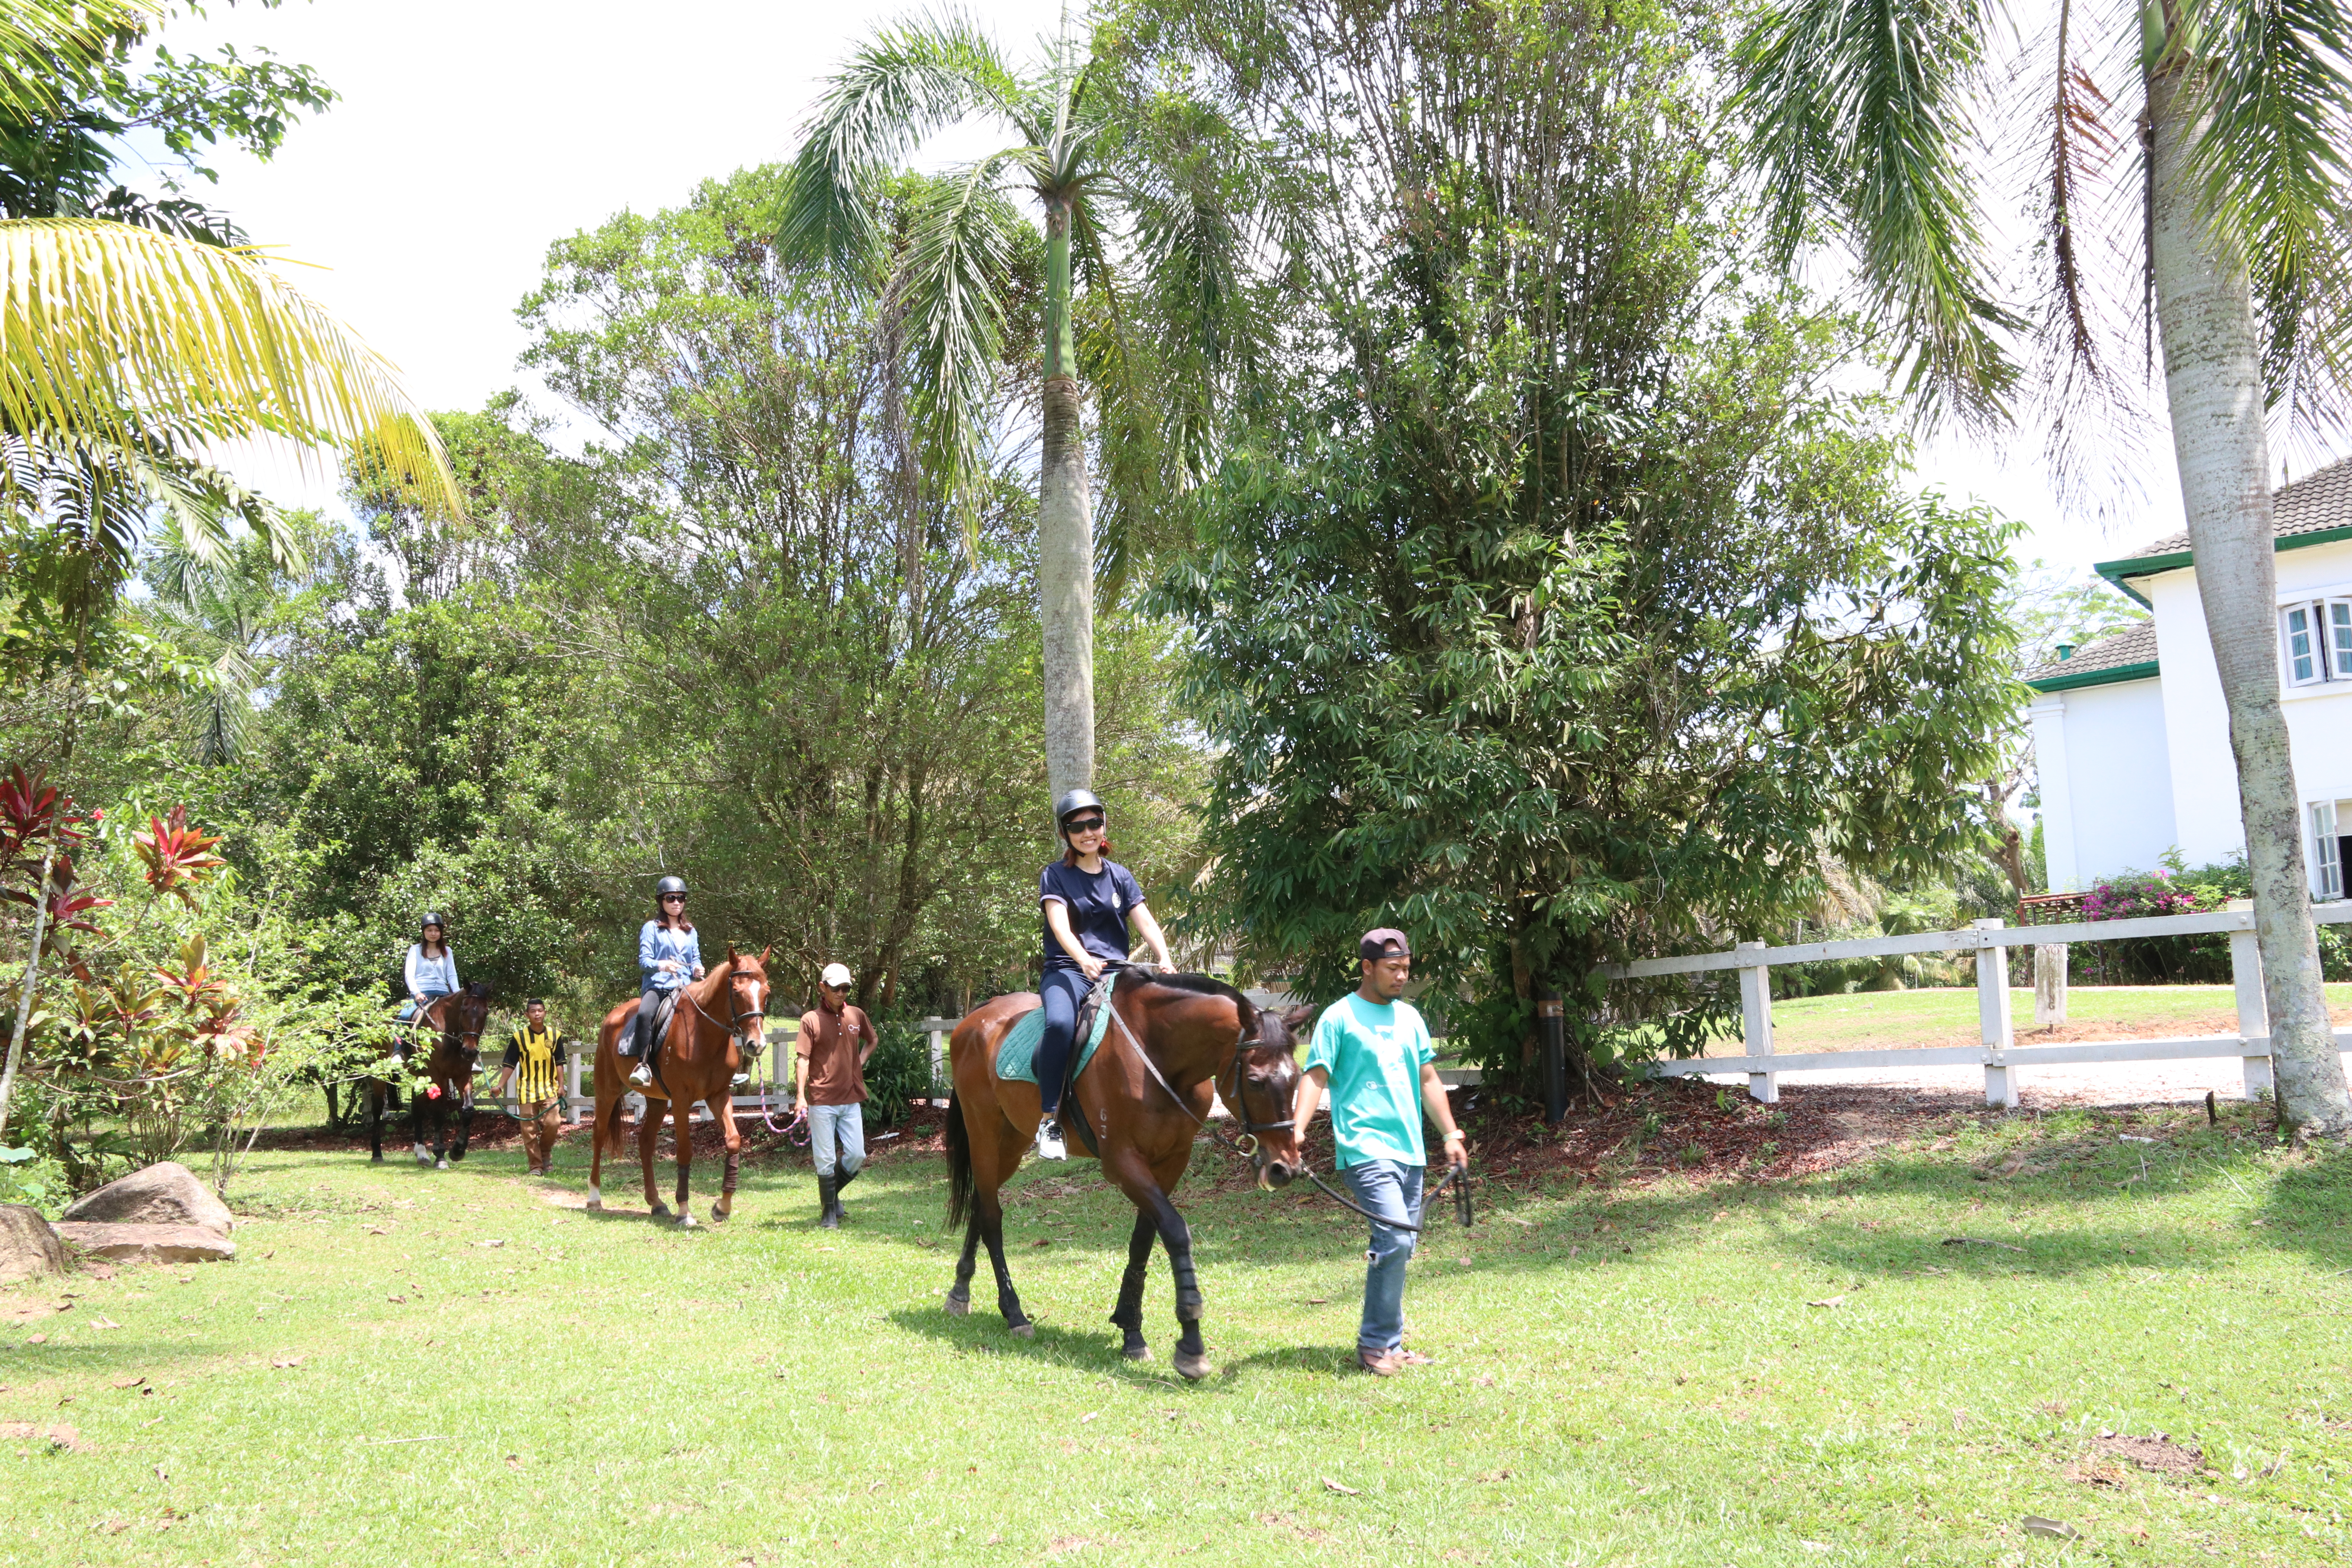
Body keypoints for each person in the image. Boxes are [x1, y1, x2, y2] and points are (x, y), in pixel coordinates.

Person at [1291, 927, 1470, 1377]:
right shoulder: (1338, 1018)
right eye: (1393, 968)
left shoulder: (1410, 1018)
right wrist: (1297, 1130)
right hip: (1364, 1147)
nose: (1402, 976)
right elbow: (1315, 1076)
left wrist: (1451, 1134)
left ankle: (1391, 1343)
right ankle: (1374, 1346)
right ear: (1367, 967)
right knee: (1394, 1239)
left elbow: (1428, 1079)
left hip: (1410, 1149)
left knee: (1401, 1246)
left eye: (1406, 968)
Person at [1034, 789, 1172, 1160]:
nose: (1088, 833)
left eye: (1094, 823)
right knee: (1061, 1025)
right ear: (1065, 834)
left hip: (1117, 973)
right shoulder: (1055, 875)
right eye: (1077, 827)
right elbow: (1060, 925)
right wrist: (1082, 958)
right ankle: (1049, 1121)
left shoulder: (1120, 876)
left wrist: (1165, 957)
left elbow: (1145, 921)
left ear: (1104, 826)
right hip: (1069, 971)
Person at [795, 962, 875, 1228]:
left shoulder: (856, 1015)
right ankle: (829, 1214)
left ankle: (830, 1197)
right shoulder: (810, 1020)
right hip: (822, 1100)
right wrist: (801, 1097)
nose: (841, 993)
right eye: (836, 988)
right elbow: (803, 1060)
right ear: (823, 987)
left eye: (846, 988)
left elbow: (872, 1040)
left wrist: (859, 1062)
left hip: (851, 1097)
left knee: (857, 1154)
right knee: (825, 1159)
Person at [626, 875, 702, 1087]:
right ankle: (643, 1065)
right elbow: (644, 961)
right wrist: (663, 965)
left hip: (686, 988)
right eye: (671, 898)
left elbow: (695, 958)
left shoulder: (691, 931)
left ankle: (722, 1067)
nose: (677, 903)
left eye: (681, 898)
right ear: (661, 901)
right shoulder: (651, 928)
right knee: (644, 1014)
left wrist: (697, 968)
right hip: (658, 987)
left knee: (714, 1011)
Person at [498, 999, 570, 1175]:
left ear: (545, 1013)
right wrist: (500, 1086)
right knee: (529, 1130)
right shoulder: (519, 1037)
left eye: (540, 1010)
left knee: (554, 1122)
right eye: (533, 1011)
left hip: (549, 1088)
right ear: (527, 1015)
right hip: (526, 1089)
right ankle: (536, 1166)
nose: (537, 1014)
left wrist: (561, 1086)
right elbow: (509, 1064)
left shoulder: (555, 1035)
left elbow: (560, 1062)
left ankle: (545, 1154)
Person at [401, 913, 459, 1021]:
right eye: (429, 930)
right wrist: (417, 993)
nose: (433, 934)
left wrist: (457, 993)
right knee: (404, 1016)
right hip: (422, 994)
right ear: (424, 932)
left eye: (437, 931)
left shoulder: (448, 951)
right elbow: (409, 975)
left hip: (444, 994)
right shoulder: (415, 950)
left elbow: (452, 975)